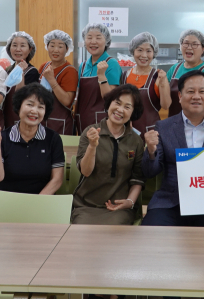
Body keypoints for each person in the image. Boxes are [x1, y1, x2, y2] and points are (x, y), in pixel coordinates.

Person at [142, 70, 204, 227]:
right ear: (179, 96)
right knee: (151, 234)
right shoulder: (164, 127)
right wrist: (151, 151)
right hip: (171, 203)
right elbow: (149, 172)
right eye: (190, 91)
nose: (196, 96)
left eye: (202, 91)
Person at [72, 84, 146, 225]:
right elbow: (85, 171)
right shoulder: (91, 131)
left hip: (119, 209)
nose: (120, 110)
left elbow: (138, 179)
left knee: (113, 235)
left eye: (127, 107)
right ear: (109, 103)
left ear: (133, 112)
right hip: (86, 206)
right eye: (117, 103)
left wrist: (129, 202)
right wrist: (92, 146)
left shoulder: (136, 141)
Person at [0, 83, 65, 195]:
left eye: (40, 107)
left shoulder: (53, 138)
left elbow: (57, 180)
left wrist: (35, 202)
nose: (34, 111)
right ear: (19, 107)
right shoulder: (1, 137)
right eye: (30, 104)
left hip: (41, 200)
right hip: (7, 200)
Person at [75, 23, 122, 135]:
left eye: (98, 37)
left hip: (102, 122)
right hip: (82, 120)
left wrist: (101, 75)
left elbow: (110, 98)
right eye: (89, 37)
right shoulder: (83, 65)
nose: (93, 41)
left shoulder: (111, 64)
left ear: (106, 41)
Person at [122, 32, 171, 140]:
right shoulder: (125, 76)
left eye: (148, 51)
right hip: (127, 133)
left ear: (154, 53)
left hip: (152, 133)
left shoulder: (158, 76)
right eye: (139, 50)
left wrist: (163, 84)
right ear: (133, 51)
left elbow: (166, 105)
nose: (144, 55)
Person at [166, 29, 204, 117]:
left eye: (194, 44)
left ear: (203, 48)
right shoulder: (174, 69)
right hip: (175, 124)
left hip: (202, 125)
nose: (189, 47)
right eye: (186, 43)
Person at [39, 29, 78, 135]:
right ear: (47, 46)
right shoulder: (44, 66)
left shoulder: (70, 71)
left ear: (67, 49)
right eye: (52, 45)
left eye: (60, 46)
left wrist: (52, 80)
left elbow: (67, 101)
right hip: (41, 121)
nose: (55, 50)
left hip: (61, 124)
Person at [3, 31, 40, 128]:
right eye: (14, 45)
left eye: (22, 46)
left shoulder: (32, 72)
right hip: (5, 117)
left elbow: (22, 97)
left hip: (21, 118)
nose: (18, 49)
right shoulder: (7, 70)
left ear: (30, 49)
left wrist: (21, 73)